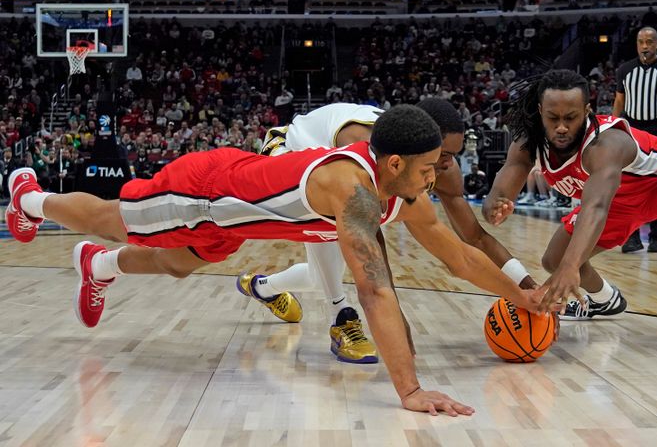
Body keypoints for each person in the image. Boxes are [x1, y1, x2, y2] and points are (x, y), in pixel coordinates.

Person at [5, 105, 541, 415]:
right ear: (395, 161)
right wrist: (412, 390)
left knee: (176, 265)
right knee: (110, 217)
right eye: (430, 167)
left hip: (238, 220)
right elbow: (374, 290)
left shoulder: (405, 190)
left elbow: (460, 258)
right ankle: (27, 197)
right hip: (205, 194)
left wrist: (523, 296)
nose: (438, 177)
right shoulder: (350, 189)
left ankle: (97, 266)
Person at [483, 69, 657, 358]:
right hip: (617, 200)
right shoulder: (529, 143)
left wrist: (571, 266)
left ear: (587, 111)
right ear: (541, 111)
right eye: (553, 118)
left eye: (571, 117)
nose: (562, 127)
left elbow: (596, 206)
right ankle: (605, 299)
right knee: (554, 259)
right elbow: (509, 175)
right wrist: (495, 201)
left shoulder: (605, 143)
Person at [243, 100, 538, 364]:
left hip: (329, 174)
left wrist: (527, 286)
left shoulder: (439, 165)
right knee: (338, 225)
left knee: (320, 275)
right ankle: (342, 319)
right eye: (444, 154)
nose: (448, 164)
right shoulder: (367, 143)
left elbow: (473, 237)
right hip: (287, 152)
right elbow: (369, 233)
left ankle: (262, 287)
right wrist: (394, 314)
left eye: (453, 155)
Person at [613, 27, 657, 254]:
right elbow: (619, 101)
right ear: (636, 44)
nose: (645, 46)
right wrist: (613, 128)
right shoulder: (625, 70)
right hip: (632, 130)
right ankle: (632, 237)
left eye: (649, 42)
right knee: (629, 183)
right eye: (641, 42)